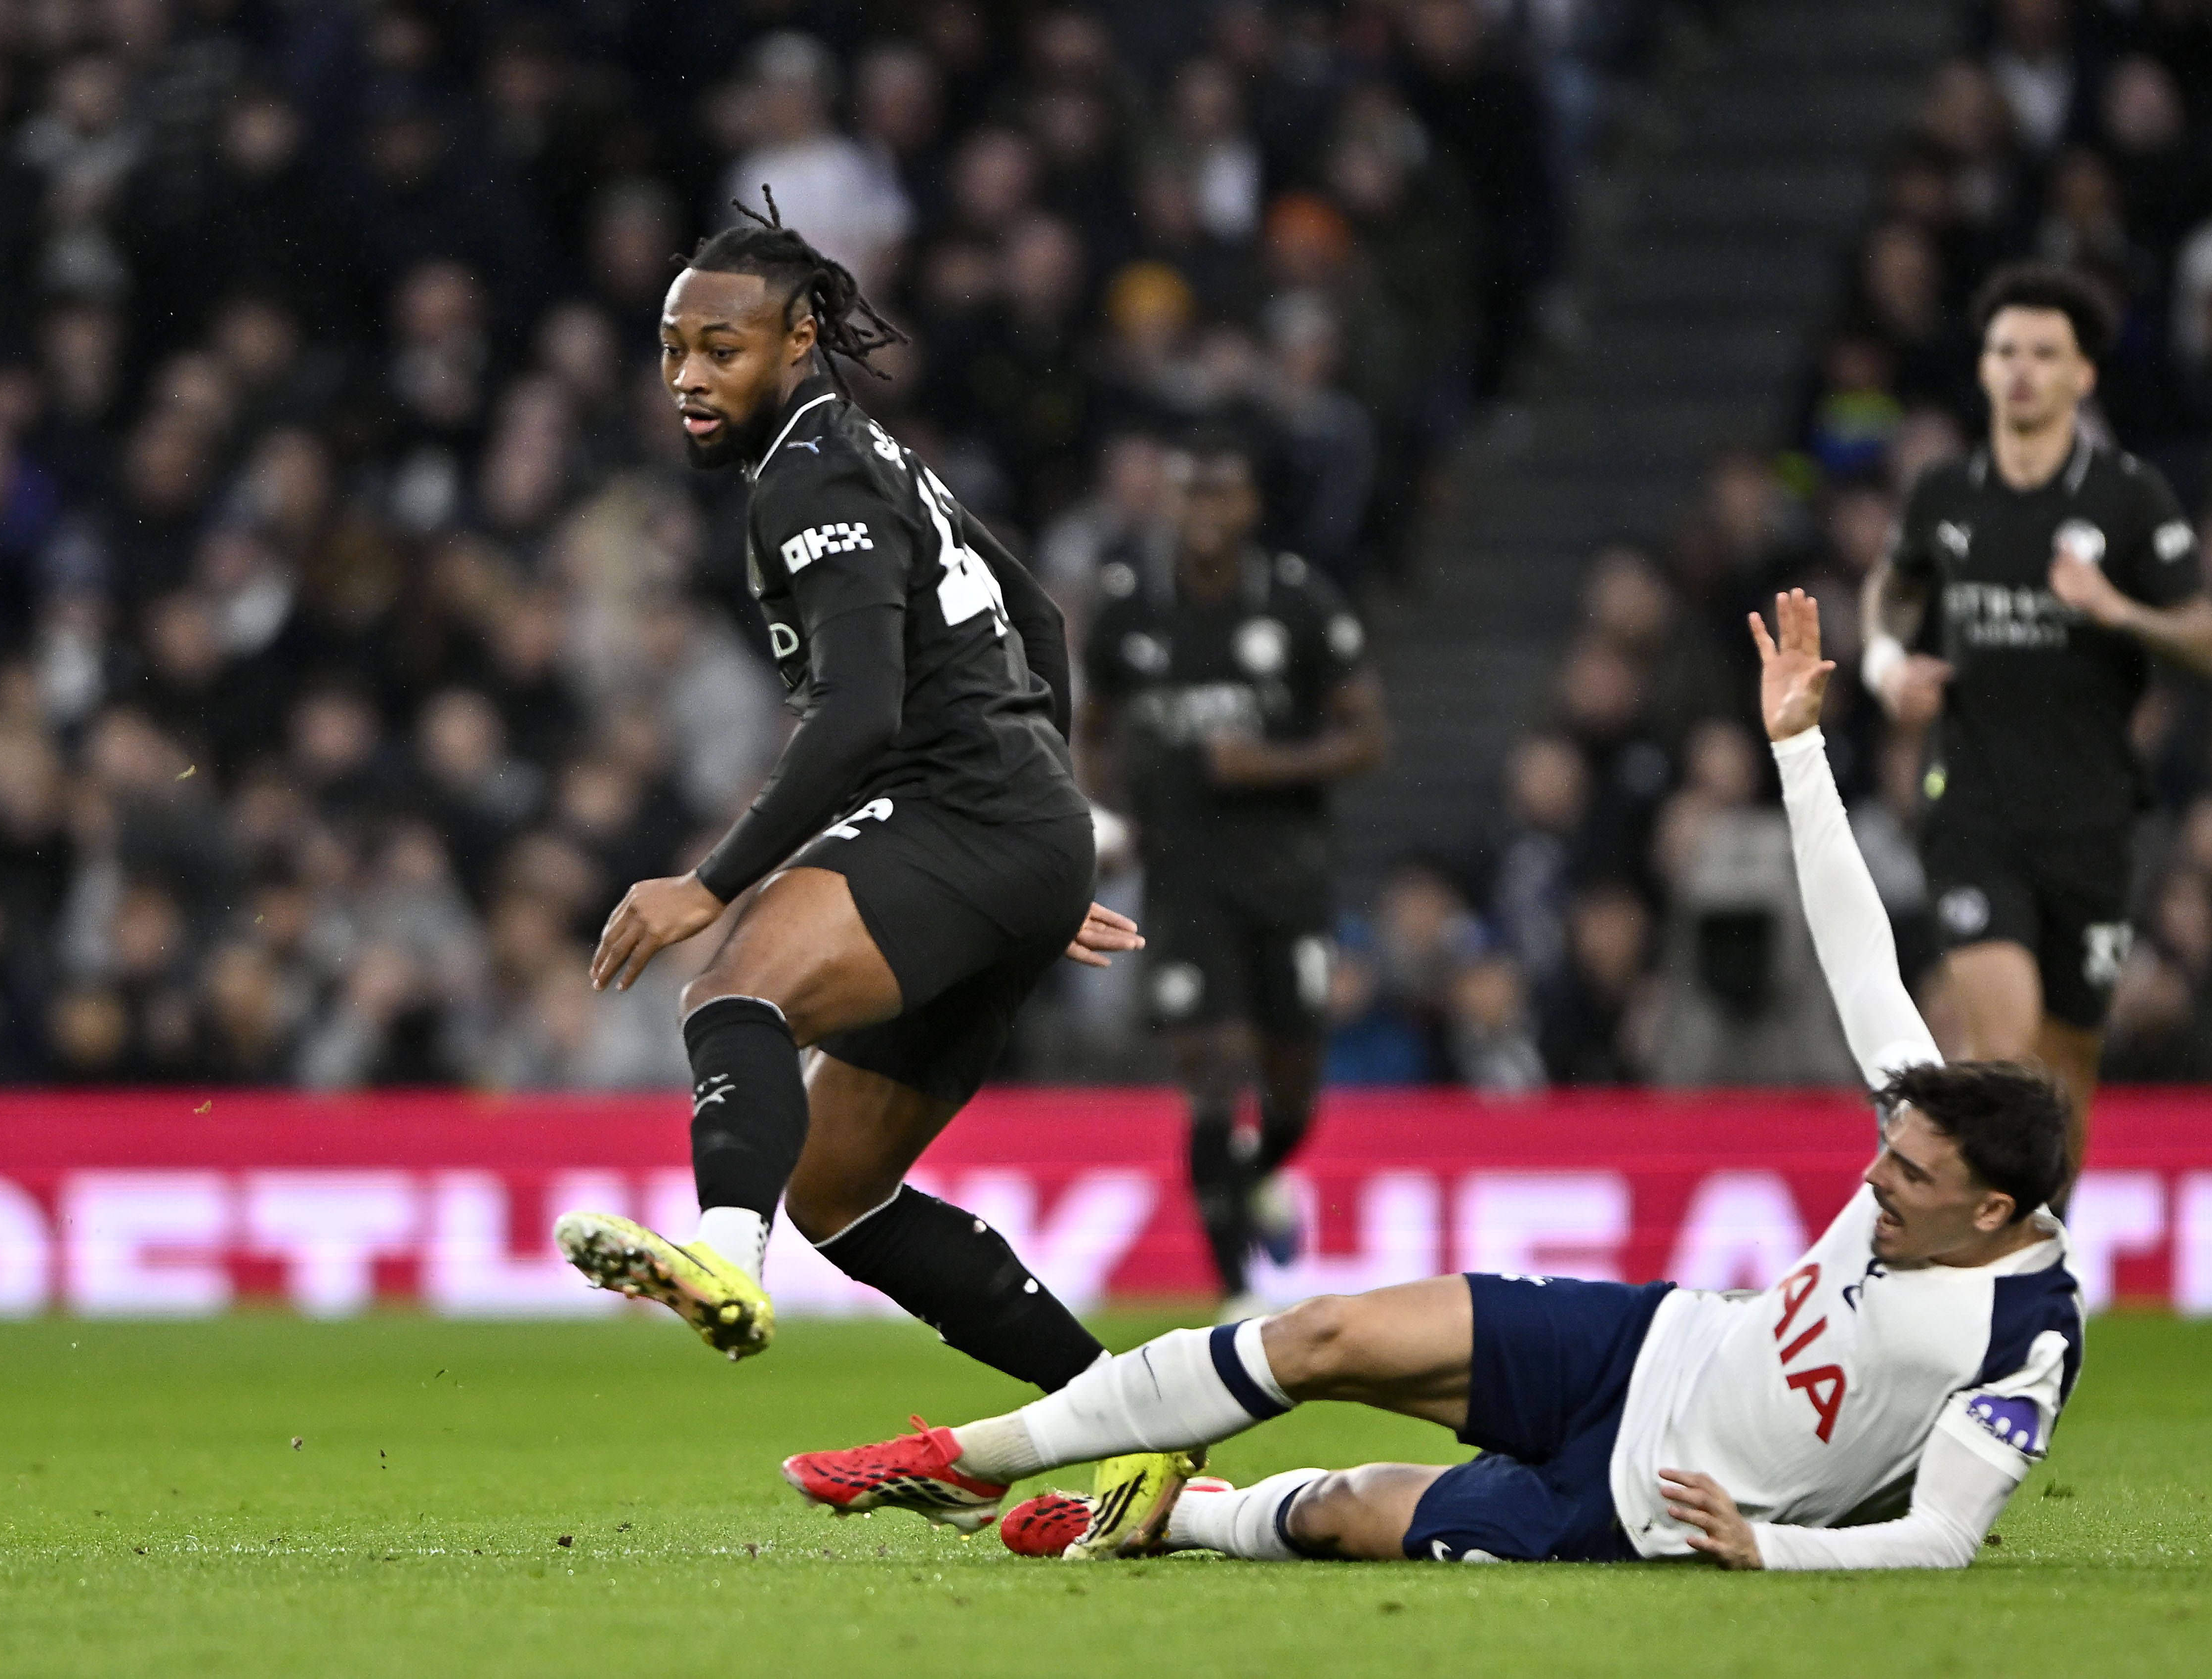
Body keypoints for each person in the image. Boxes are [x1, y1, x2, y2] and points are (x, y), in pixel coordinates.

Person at [784, 591, 2084, 1574]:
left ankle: (1180, 1515)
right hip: (1654, 1342)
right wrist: (1800, 752)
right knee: (1327, 1336)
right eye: (1892, 1148)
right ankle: (965, 1458)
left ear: (1994, 1214)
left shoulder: (2022, 1342)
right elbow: (1860, 954)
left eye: (1910, 1178)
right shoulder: (1940, 1129)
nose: (1876, 1174)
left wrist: (1771, 1548)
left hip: (1647, 1506)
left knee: (1349, 1511)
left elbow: (1945, 1539)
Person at [554, 193, 1141, 1417]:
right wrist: (1057, 822)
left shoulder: (810, 476)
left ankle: (723, 1253)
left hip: (962, 812)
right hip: (1014, 830)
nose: (688, 377)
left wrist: (709, 883)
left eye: (723, 348)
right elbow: (1035, 615)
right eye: (673, 348)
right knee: (834, 1187)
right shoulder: (865, 452)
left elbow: (860, 714)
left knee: (732, 986)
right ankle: (1132, 1415)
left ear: (798, 342)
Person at [1861, 264, 2212, 1189]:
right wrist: (1884, 662)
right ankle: (1994, 1281)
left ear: (2082, 377)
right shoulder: (1945, 495)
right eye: (2005, 351)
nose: (2021, 370)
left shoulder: (2129, 500)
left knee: (2065, 1077)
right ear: (1984, 370)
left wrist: (2116, 608)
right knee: (2007, 1048)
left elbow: (2206, 643)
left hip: (2091, 821)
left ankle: (2043, 1259)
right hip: (1973, 810)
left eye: (2044, 354)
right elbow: (1894, 587)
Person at [1077, 439, 1386, 1312]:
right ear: (1169, 501)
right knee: (1210, 1066)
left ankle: (1259, 1175)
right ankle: (1235, 1285)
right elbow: (1094, 727)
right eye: (1190, 492)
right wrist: (1107, 815)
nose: (1206, 510)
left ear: (1252, 505)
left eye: (1224, 491)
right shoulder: (1130, 607)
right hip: (1183, 875)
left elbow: (1367, 737)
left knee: (1292, 1087)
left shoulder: (1295, 601)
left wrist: (1268, 763)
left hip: (1286, 873)